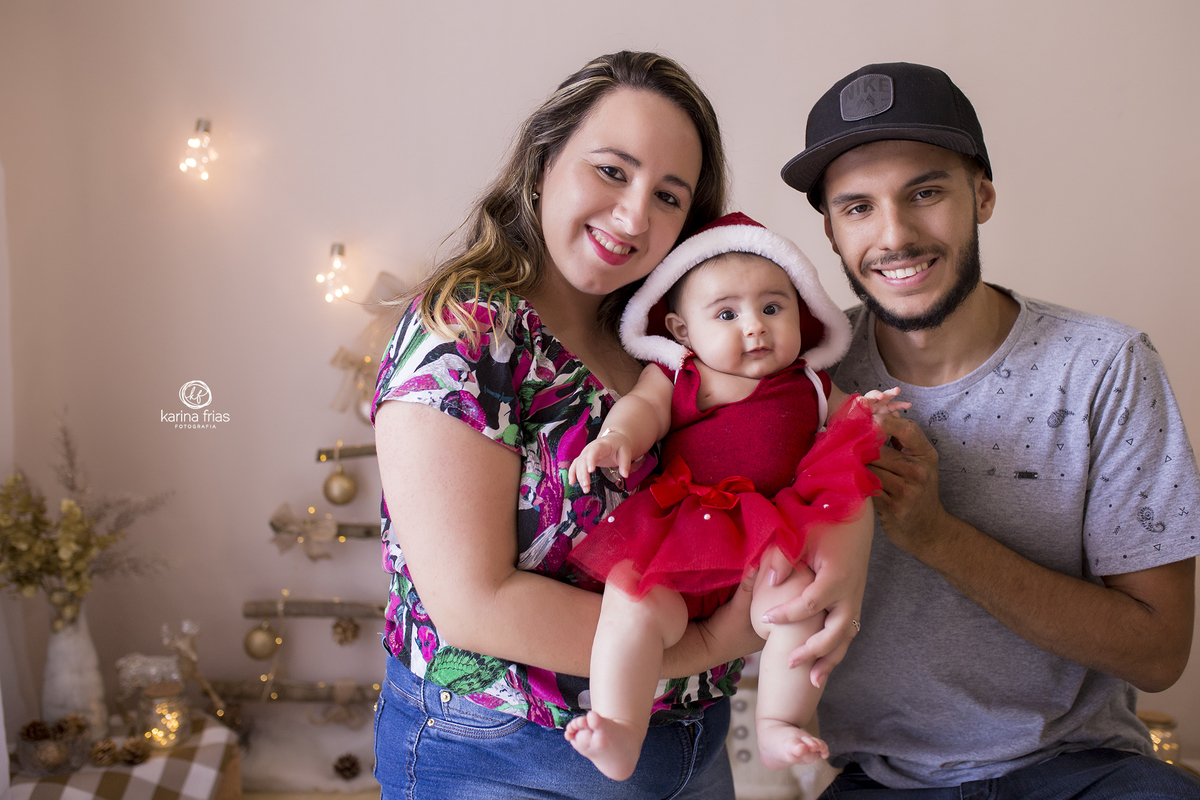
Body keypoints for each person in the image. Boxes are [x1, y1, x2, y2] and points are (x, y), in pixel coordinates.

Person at [371, 52, 872, 800]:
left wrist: (840, 570)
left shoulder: (667, 340)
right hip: (506, 750)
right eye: (612, 171)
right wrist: (700, 645)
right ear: (543, 163)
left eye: (668, 195)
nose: (635, 216)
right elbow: (475, 605)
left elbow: (807, 463)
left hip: (691, 746)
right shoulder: (464, 330)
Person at [770, 62, 1200, 797]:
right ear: (832, 233)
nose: (895, 235)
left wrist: (936, 536)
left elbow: (1159, 652)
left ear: (983, 195)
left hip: (1084, 771)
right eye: (858, 208)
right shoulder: (799, 382)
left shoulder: (1104, 367)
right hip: (879, 781)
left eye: (926, 193)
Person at [562, 212, 905, 780]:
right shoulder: (680, 375)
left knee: (802, 606)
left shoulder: (812, 382)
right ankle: (620, 728)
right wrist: (617, 436)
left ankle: (778, 722)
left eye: (773, 308)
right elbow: (643, 409)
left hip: (772, 537)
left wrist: (867, 415)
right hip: (687, 534)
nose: (756, 327)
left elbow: (847, 423)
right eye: (727, 313)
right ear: (680, 331)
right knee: (632, 600)